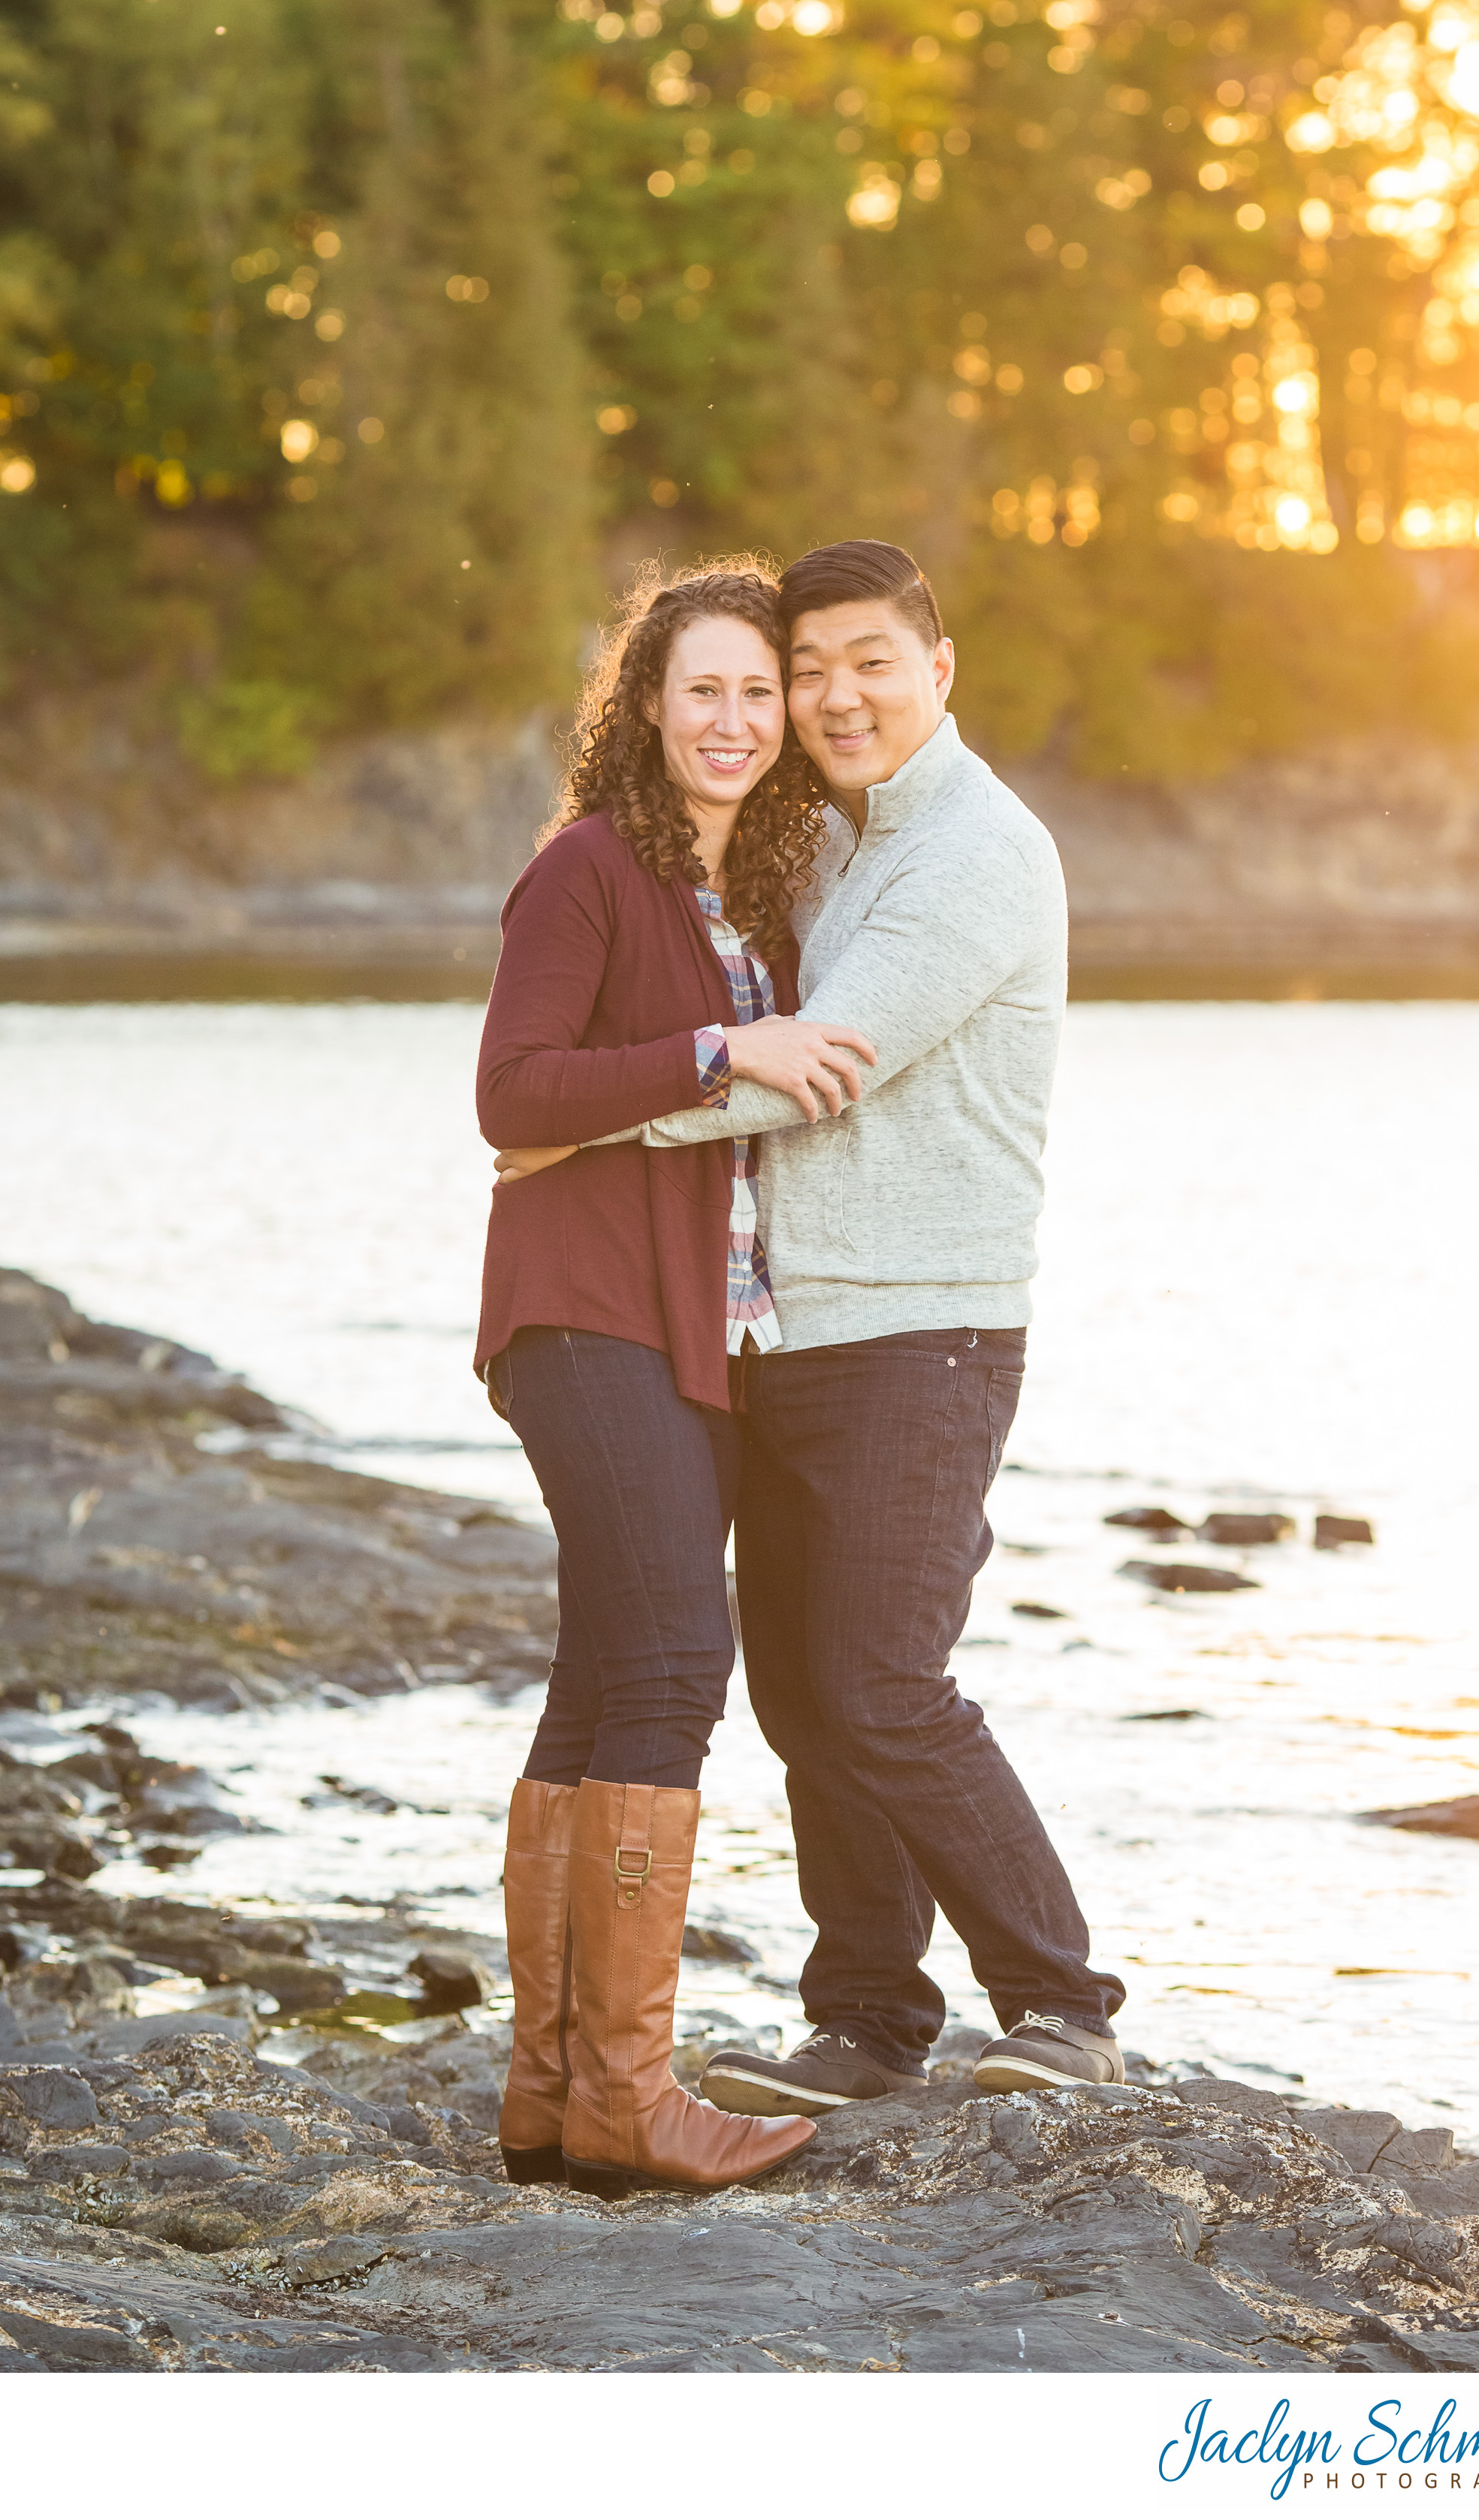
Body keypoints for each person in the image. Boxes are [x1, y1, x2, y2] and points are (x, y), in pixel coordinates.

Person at [503, 540, 1126, 2114]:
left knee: (879, 1681)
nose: (834, 697)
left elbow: (814, 1059)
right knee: (797, 1687)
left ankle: (1059, 2003)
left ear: (938, 668)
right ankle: (862, 2016)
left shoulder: (975, 852)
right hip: (784, 1334)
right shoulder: (827, 849)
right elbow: (756, 1050)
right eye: (808, 672)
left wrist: (578, 1136)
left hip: (923, 1332)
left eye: (869, 663)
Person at [473, 558, 875, 2197]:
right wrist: (722, 1051)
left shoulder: (755, 902)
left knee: (601, 1677)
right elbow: (512, 1094)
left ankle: (556, 2093)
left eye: (755, 694)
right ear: (644, 707)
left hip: (685, 1324)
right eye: (699, 689)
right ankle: (630, 2098)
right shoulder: (582, 871)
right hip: (584, 1316)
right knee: (670, 1665)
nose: (731, 719)